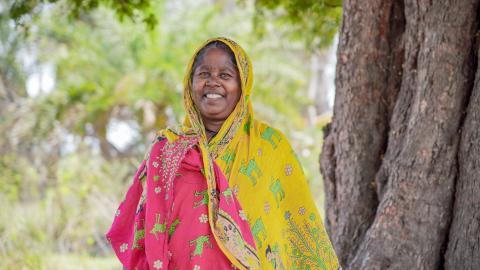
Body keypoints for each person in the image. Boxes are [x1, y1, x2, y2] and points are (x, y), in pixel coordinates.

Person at [106, 37, 339, 270]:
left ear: (242, 86)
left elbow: (292, 231)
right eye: (204, 74)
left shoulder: (270, 147)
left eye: (225, 76)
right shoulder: (167, 149)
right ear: (190, 84)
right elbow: (142, 230)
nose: (213, 82)